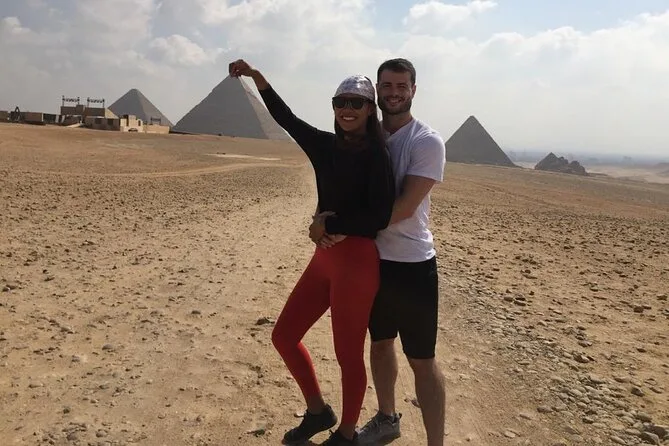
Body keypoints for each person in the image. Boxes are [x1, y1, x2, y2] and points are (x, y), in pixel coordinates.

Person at [228, 59, 395, 446]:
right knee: (284, 336)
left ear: (370, 109)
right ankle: (318, 411)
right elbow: (285, 118)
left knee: (347, 355)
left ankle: (347, 434)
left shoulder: (377, 154)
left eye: (356, 103)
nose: (347, 110)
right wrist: (257, 77)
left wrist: (327, 226)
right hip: (324, 260)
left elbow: (380, 215)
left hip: (356, 263)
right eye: (340, 102)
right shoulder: (324, 145)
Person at [313, 58, 447, 446]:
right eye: (386, 86)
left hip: (411, 265)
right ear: (376, 91)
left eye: (401, 86)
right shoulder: (364, 138)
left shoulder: (426, 141)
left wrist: (336, 226)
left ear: (413, 90)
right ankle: (387, 418)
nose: (394, 93)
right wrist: (323, 218)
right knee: (380, 344)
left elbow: (403, 208)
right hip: (372, 263)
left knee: (422, 360)